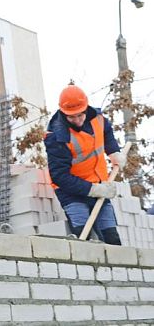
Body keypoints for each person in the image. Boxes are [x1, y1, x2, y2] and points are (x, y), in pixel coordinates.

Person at [44, 83, 126, 245]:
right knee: (84, 236)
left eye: (80, 115)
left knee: (111, 238)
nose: (77, 120)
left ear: (86, 108)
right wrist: (93, 190)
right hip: (72, 192)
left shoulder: (97, 118)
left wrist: (114, 152)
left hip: (100, 185)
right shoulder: (57, 136)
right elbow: (60, 176)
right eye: (71, 117)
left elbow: (107, 132)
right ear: (63, 112)